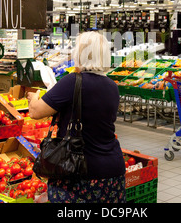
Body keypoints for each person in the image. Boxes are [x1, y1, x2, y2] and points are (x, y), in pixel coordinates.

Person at [27, 31, 126, 203]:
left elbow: (36, 112)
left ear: (80, 54)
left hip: (78, 171)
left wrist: (34, 97)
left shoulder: (73, 81)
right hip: (112, 171)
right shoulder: (112, 86)